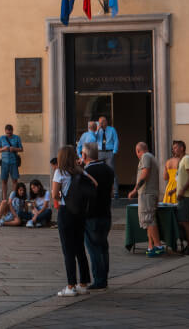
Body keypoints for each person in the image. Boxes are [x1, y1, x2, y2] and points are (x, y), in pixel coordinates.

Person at [52, 145, 95, 296]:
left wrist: (63, 198)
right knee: (79, 248)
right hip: (79, 213)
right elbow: (94, 184)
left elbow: (54, 194)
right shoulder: (79, 171)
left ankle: (70, 286)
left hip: (65, 212)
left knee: (67, 250)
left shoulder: (60, 172)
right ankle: (83, 284)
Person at [82, 142, 114, 289]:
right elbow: (111, 192)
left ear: (84, 155)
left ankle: (99, 279)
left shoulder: (86, 172)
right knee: (103, 246)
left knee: (93, 248)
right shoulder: (108, 170)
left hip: (91, 215)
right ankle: (104, 277)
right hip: (106, 213)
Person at [127, 142, 163, 257]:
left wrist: (135, 190)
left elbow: (145, 174)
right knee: (148, 220)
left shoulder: (145, 157)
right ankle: (151, 245)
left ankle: (158, 246)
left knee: (149, 219)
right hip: (150, 193)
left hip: (146, 193)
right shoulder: (152, 157)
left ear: (138, 151)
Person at [173, 140, 189, 254]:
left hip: (186, 195)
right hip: (182, 194)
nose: (174, 150)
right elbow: (181, 179)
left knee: (185, 221)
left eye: (176, 147)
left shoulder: (187, 159)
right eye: (173, 148)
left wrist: (182, 190)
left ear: (182, 148)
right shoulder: (181, 161)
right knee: (185, 221)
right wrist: (175, 190)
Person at [0, 124, 23, 200]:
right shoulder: (2, 138)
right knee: (4, 181)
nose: (8, 135)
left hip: (13, 162)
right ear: (5, 131)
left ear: (12, 131)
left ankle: (13, 199)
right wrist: (3, 149)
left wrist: (14, 149)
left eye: (10, 133)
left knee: (15, 181)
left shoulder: (17, 138)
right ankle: (4, 199)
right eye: (7, 133)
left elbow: (21, 149)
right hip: (4, 162)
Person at [96, 116, 119, 198]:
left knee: (111, 172)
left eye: (103, 121)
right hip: (100, 152)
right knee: (99, 172)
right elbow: (93, 139)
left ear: (106, 122)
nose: (102, 123)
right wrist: (97, 130)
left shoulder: (112, 129)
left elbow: (116, 140)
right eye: (100, 122)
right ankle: (99, 192)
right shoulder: (97, 130)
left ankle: (115, 193)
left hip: (109, 152)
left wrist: (114, 151)